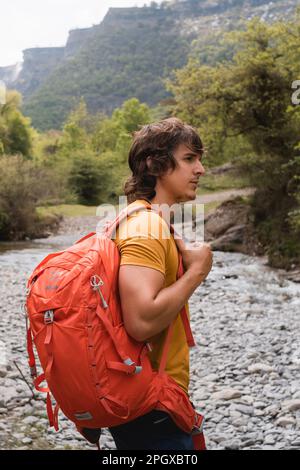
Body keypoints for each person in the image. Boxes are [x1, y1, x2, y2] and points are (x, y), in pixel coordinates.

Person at [109, 117, 213, 450]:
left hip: (147, 400)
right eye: (189, 159)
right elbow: (141, 322)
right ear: (155, 164)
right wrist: (197, 272)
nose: (200, 169)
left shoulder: (144, 220)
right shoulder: (146, 228)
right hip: (152, 407)